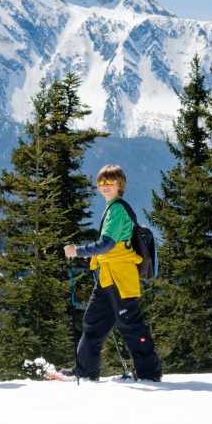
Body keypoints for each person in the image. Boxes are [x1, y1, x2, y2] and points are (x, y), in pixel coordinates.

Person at [59, 164, 163, 382]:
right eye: (101, 182)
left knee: (130, 324)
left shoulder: (116, 209)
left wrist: (77, 251)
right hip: (108, 275)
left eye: (110, 182)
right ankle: (85, 371)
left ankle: (149, 372)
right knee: (93, 323)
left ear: (120, 185)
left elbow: (107, 244)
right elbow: (112, 246)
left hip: (120, 276)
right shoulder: (114, 207)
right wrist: (93, 254)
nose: (105, 186)